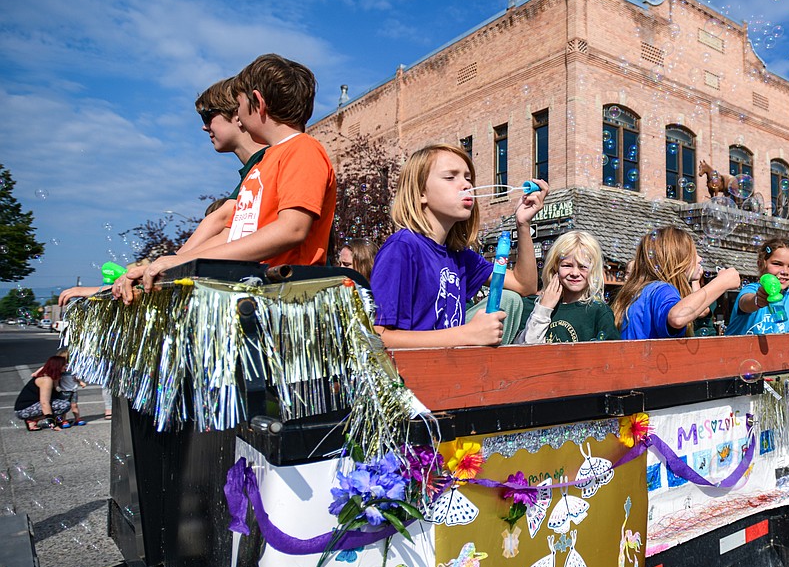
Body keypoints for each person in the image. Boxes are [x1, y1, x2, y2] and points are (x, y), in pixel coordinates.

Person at [115, 54, 337, 301]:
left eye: (239, 105)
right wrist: (172, 263)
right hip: (257, 295)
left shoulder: (303, 149)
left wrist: (188, 260)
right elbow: (232, 234)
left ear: (258, 102)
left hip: (286, 299)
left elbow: (292, 229)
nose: (238, 116)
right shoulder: (263, 164)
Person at [369, 144, 547, 348]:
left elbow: (525, 285)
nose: (466, 185)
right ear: (420, 193)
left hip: (448, 374)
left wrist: (523, 224)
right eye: (450, 177)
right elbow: (376, 337)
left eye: (468, 178)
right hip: (414, 377)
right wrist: (466, 334)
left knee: (511, 297)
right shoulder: (402, 248)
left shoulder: (459, 256)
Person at [178, 79, 269, 253]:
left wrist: (173, 261)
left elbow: (222, 217)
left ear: (237, 114)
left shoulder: (266, 160)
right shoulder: (254, 167)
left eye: (208, 116)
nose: (204, 127)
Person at [613, 227, 740, 340]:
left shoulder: (640, 292)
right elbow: (677, 318)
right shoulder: (662, 289)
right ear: (677, 257)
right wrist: (722, 282)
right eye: (693, 253)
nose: (700, 259)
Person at [516, 231, 617, 344]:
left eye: (583, 266)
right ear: (555, 268)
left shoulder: (599, 311)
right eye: (567, 265)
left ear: (593, 270)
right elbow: (526, 348)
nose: (575, 273)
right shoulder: (535, 307)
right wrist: (543, 309)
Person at [725, 237, 789, 336]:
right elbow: (746, 303)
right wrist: (758, 300)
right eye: (777, 264)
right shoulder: (751, 289)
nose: (785, 272)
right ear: (762, 264)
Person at [14, 352, 71, 431]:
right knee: (64, 405)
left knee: (63, 403)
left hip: (32, 406)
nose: (66, 367)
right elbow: (44, 403)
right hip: (23, 410)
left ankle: (33, 420)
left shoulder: (51, 377)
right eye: (64, 365)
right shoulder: (46, 380)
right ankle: (32, 420)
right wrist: (53, 425)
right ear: (58, 366)